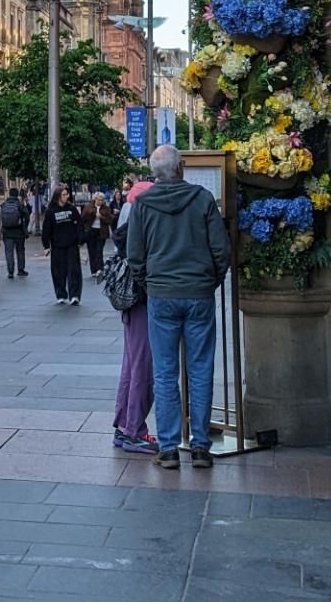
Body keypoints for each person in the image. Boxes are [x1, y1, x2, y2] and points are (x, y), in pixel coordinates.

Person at [124, 144, 232, 470]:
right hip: (198, 293)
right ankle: (200, 446)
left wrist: (151, 283)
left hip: (161, 294)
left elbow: (135, 256)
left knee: (165, 371)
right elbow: (221, 249)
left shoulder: (142, 204)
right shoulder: (201, 199)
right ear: (181, 167)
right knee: (200, 368)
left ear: (155, 173)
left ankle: (169, 448)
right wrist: (209, 280)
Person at [110, 180, 158, 455]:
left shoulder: (127, 223)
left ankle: (124, 425)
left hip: (132, 303)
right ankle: (134, 430)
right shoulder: (140, 230)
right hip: (142, 300)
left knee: (132, 363)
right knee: (143, 365)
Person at [45, 184, 84, 304]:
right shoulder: (51, 211)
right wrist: (46, 245)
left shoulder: (72, 209)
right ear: (58, 196)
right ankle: (61, 294)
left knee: (74, 270)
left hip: (72, 245)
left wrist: (80, 240)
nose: (66, 196)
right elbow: (47, 229)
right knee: (58, 271)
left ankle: (75, 295)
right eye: (64, 195)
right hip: (57, 246)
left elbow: (79, 225)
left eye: (67, 194)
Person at [0, 188, 29, 279]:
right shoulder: (20, 205)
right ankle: (20, 270)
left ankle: (10, 272)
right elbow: (27, 216)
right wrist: (25, 227)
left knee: (9, 252)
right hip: (19, 232)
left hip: (7, 232)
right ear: (17, 195)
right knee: (20, 251)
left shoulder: (3, 205)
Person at [87, 194, 115, 279]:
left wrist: (101, 217)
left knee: (99, 251)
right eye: (99, 199)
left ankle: (100, 269)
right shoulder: (89, 207)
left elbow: (110, 220)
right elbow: (84, 217)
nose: (101, 201)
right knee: (92, 251)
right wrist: (93, 214)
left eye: (102, 200)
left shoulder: (106, 208)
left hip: (101, 232)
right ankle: (93, 270)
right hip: (91, 231)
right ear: (95, 199)